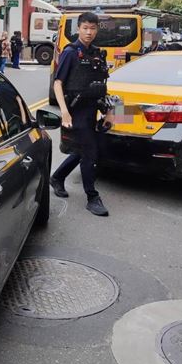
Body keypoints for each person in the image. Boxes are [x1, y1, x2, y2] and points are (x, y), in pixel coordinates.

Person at [49, 11, 114, 217]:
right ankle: (92, 197)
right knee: (90, 153)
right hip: (76, 112)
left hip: (93, 110)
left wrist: (112, 113)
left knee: (82, 150)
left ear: (97, 30)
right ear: (78, 29)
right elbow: (58, 83)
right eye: (85, 28)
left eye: (93, 28)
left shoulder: (97, 53)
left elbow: (103, 86)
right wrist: (65, 113)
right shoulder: (70, 52)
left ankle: (57, 177)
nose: (89, 32)